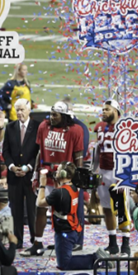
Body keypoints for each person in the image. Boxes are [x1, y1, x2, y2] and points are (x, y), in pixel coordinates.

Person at [25, 101, 84, 257]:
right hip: (47, 175)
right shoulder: (43, 127)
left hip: (65, 177)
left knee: (66, 213)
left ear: (63, 116)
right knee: (40, 209)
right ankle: (37, 242)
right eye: (51, 114)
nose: (51, 117)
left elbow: (78, 157)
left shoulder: (75, 130)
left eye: (55, 115)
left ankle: (68, 242)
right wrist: (36, 176)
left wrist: (77, 180)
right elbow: (39, 152)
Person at [37, 163, 108, 270]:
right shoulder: (74, 187)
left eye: (59, 169)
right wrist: (57, 182)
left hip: (64, 231)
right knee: (64, 258)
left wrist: (42, 185)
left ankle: (96, 259)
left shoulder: (59, 192)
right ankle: (96, 258)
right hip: (72, 227)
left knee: (64, 263)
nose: (56, 171)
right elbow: (61, 195)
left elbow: (39, 203)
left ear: (63, 173)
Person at [93, 99, 132, 255]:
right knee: (107, 208)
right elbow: (98, 149)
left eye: (107, 109)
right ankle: (113, 242)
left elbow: (130, 154)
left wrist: (127, 175)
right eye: (103, 109)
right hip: (103, 171)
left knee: (121, 208)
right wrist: (94, 170)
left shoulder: (125, 127)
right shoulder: (100, 127)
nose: (103, 112)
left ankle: (126, 244)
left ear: (116, 111)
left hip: (119, 172)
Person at [3, 98, 39, 249]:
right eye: (17, 110)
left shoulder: (38, 127)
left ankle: (35, 238)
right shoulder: (10, 127)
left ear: (29, 110)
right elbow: (5, 150)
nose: (19, 113)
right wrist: (11, 167)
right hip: (14, 175)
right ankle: (18, 238)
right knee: (16, 208)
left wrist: (28, 168)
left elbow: (38, 151)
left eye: (22, 109)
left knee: (32, 209)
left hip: (30, 176)